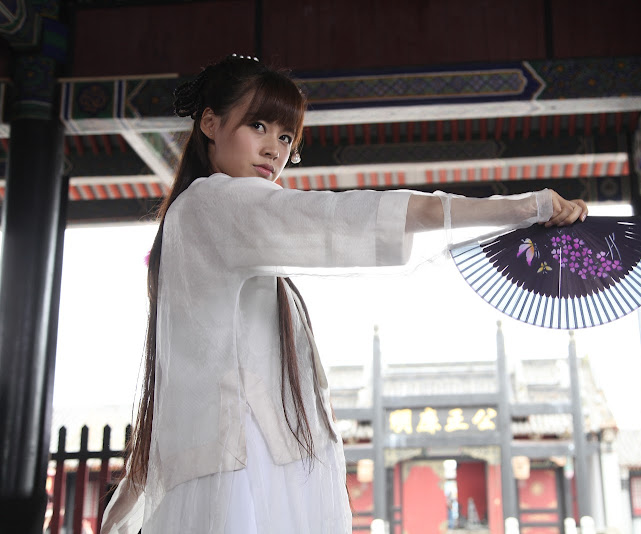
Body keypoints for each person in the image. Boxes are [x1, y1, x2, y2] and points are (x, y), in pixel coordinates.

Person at [99, 54, 588, 534]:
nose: (274, 150)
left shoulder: (192, 217)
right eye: (258, 126)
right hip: (244, 462)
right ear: (210, 123)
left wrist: (135, 492)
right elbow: (345, 218)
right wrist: (522, 207)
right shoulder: (215, 202)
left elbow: (178, 383)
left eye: (286, 137)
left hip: (231, 456)